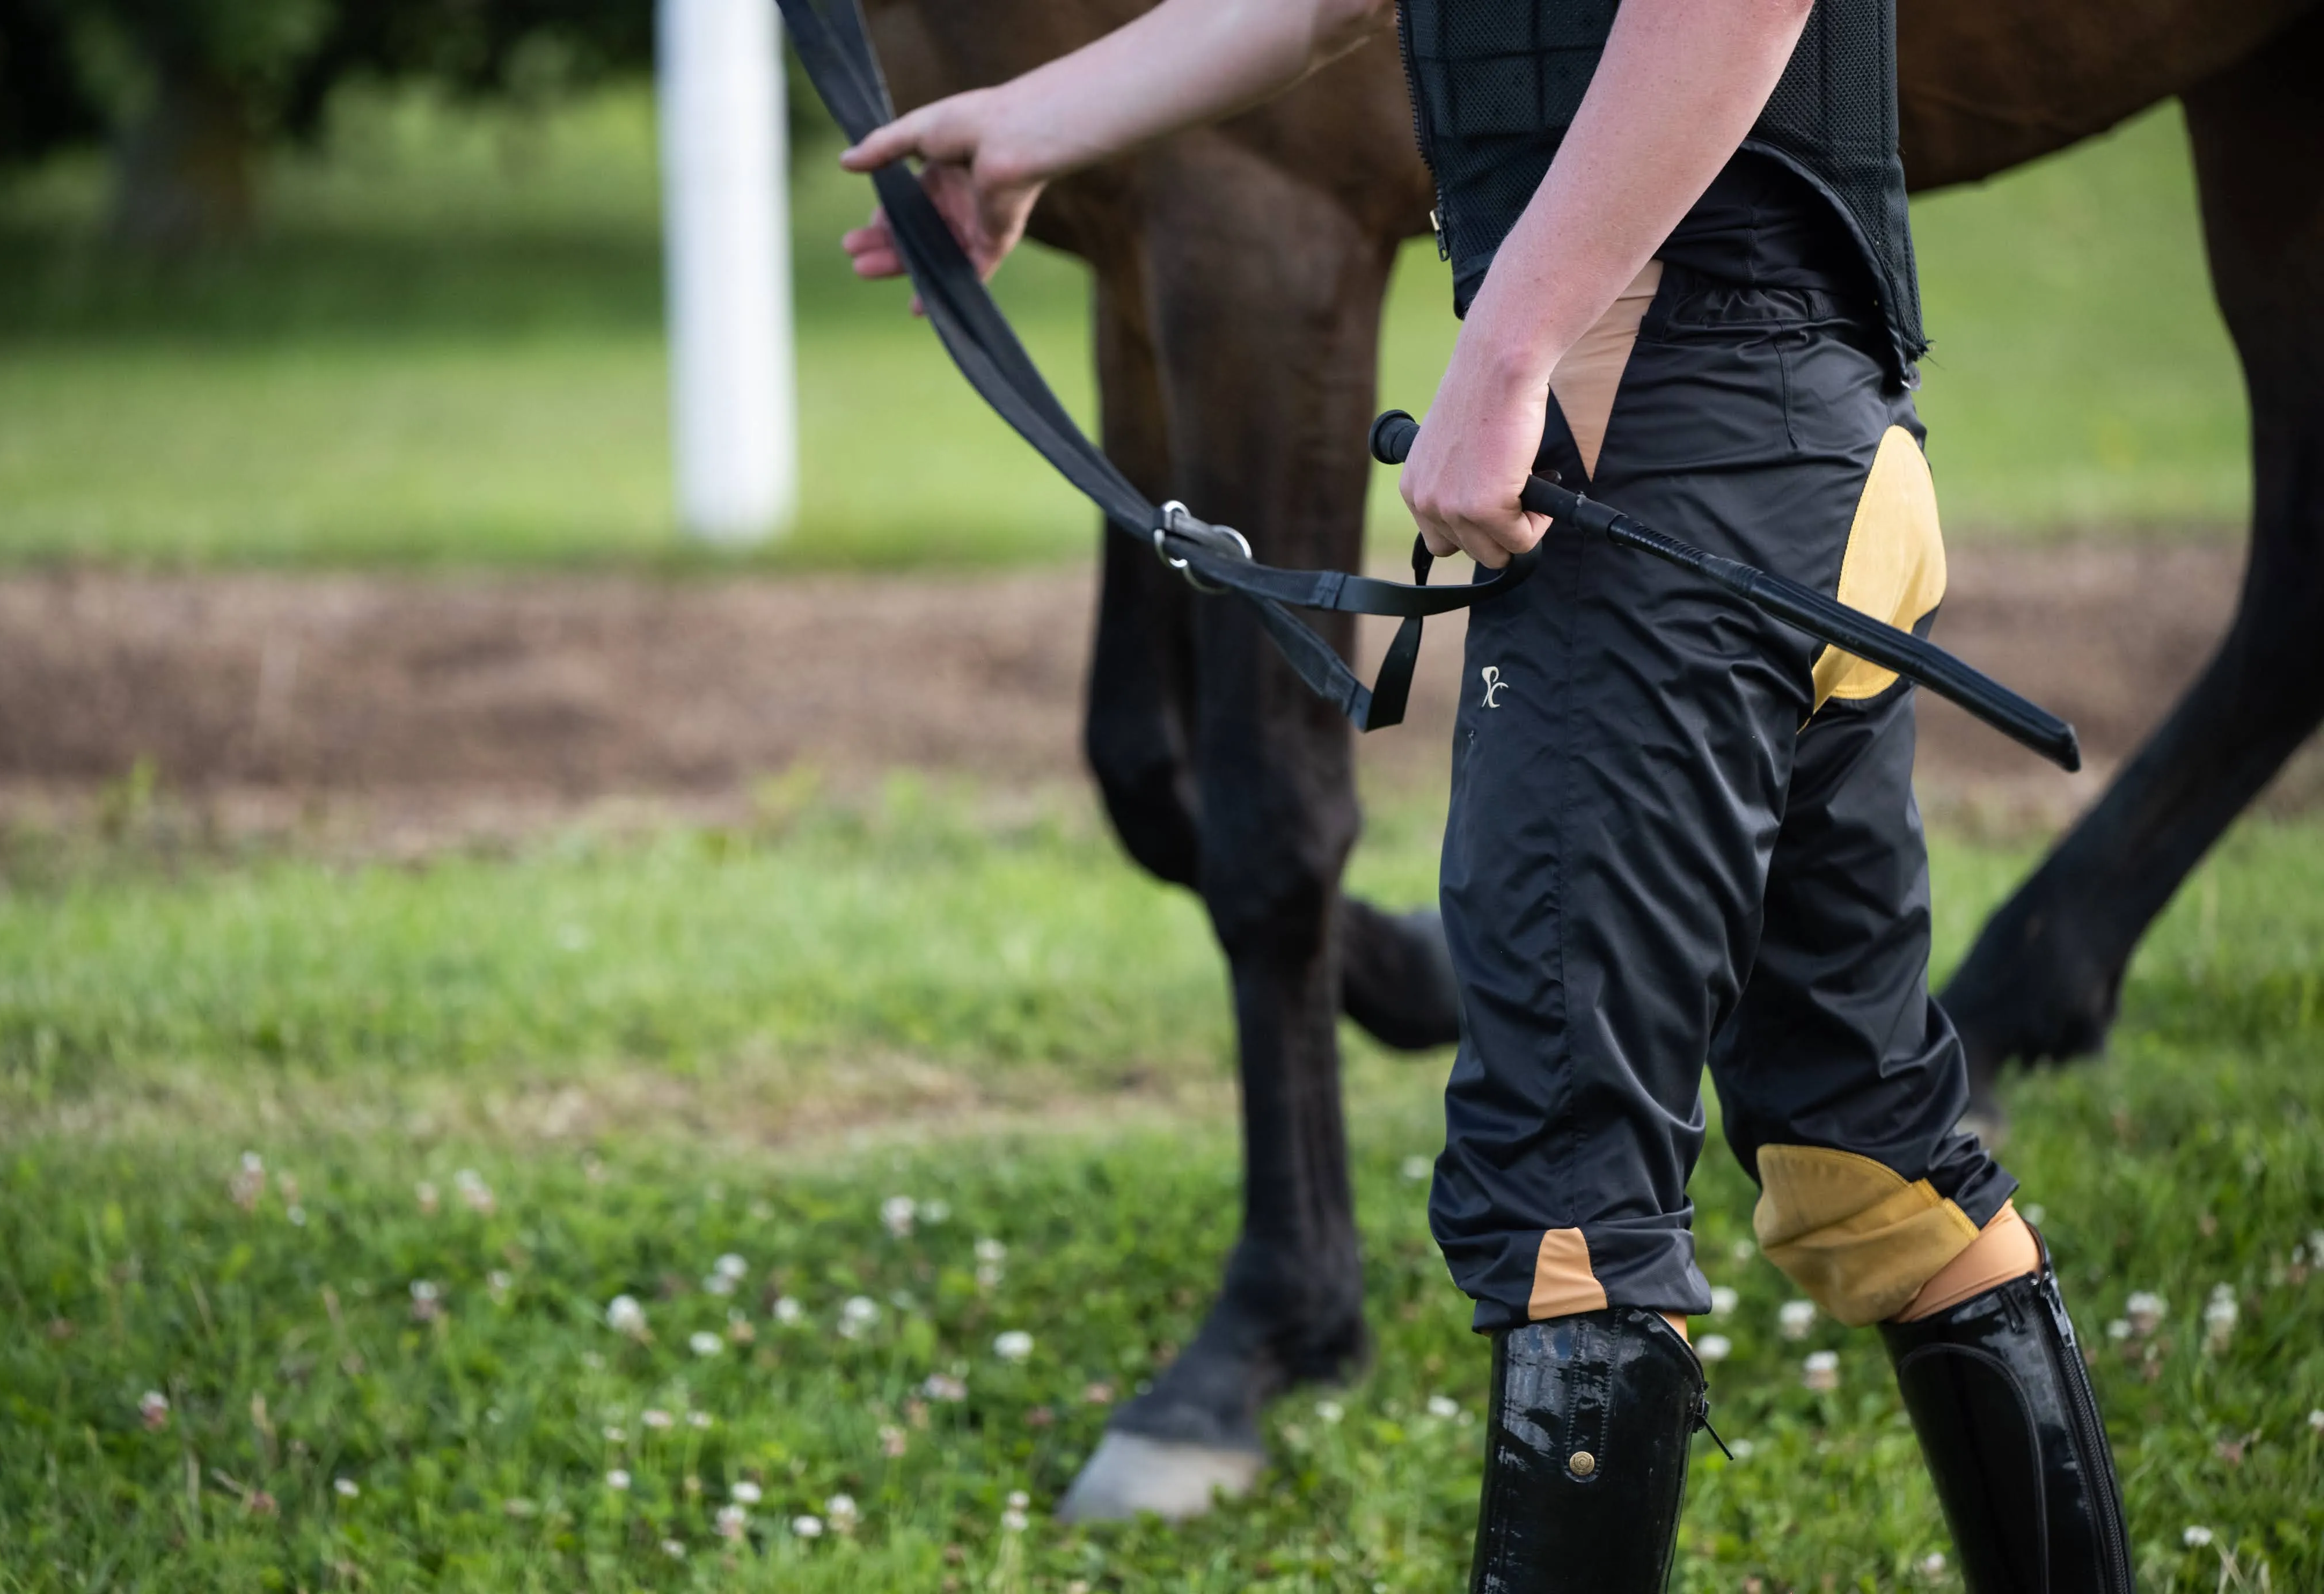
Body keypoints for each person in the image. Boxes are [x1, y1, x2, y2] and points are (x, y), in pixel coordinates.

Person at [839, 0, 2133, 1586]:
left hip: (1664, 475)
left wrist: (1510, 343)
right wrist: (1039, 116)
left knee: (1566, 1200)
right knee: (1874, 1159)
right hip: (1809, 465)